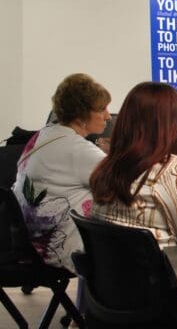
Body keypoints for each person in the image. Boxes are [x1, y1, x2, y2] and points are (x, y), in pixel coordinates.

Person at [90, 82, 177, 247]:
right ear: (174, 123)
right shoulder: (172, 171)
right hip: (167, 263)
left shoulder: (106, 168)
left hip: (114, 263)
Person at [13, 73, 110, 270]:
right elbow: (126, 184)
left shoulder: (44, 135)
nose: (108, 116)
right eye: (101, 109)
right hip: (61, 250)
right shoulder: (77, 149)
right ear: (81, 115)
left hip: (29, 242)